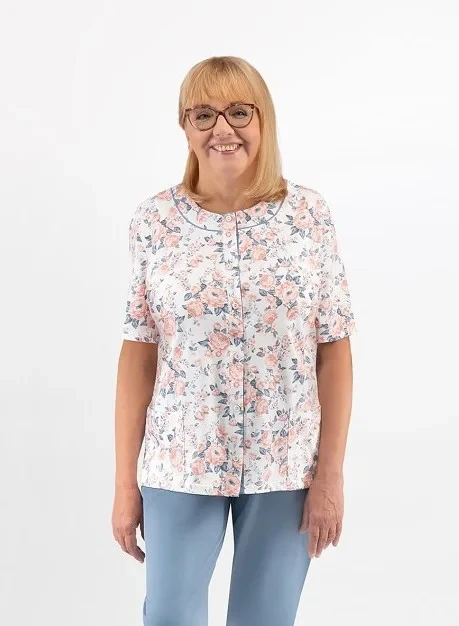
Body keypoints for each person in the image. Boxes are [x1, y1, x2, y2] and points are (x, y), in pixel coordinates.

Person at [112, 55, 357, 626]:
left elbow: (334, 350)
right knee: (169, 616)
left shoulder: (308, 216)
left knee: (264, 619)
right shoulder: (153, 223)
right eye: (204, 114)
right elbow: (138, 356)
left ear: (263, 118)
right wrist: (125, 485)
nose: (222, 128)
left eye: (239, 112)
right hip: (180, 459)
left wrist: (330, 474)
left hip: (286, 464)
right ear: (185, 126)